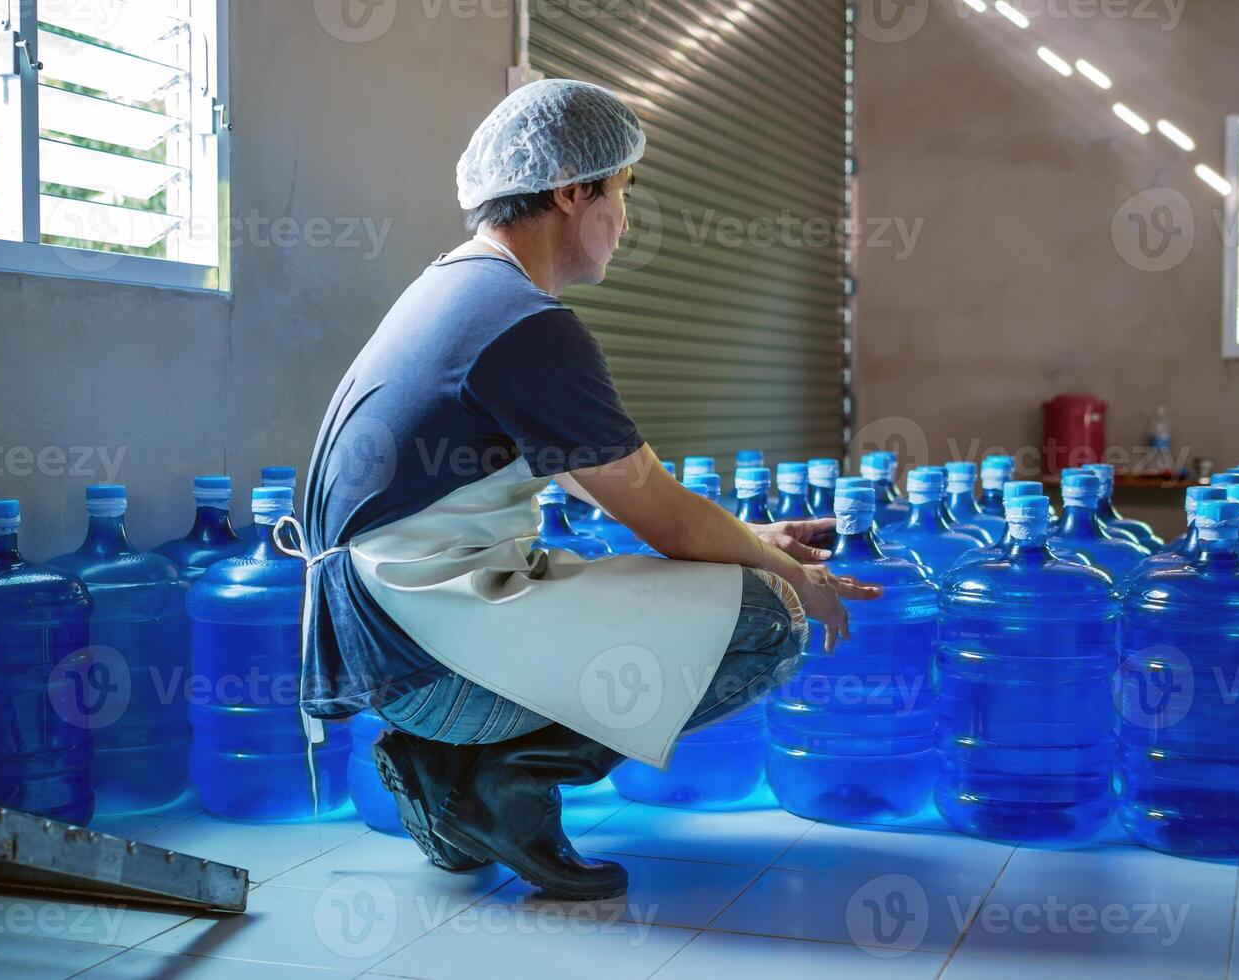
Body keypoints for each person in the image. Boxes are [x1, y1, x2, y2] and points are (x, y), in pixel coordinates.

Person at [293, 79, 881, 900]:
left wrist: (758, 540)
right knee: (767, 620)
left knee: (724, 577)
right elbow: (662, 515)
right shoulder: (522, 323)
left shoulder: (459, 290)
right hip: (425, 652)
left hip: (388, 639)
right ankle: (501, 781)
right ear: (572, 189)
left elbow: (618, 491)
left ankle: (448, 768)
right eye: (622, 192)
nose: (627, 220)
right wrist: (788, 574)